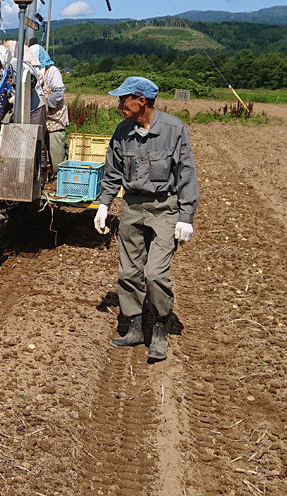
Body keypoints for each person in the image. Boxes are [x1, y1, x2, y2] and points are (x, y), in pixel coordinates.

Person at [94, 76, 198, 361]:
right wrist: (104, 204)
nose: (119, 105)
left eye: (123, 99)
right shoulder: (123, 131)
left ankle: (161, 329)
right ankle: (136, 327)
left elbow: (186, 173)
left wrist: (186, 216)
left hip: (165, 207)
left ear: (142, 101)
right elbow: (113, 170)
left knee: (155, 274)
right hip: (133, 206)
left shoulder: (174, 130)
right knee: (128, 273)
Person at [29, 42, 68, 172]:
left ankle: (59, 177)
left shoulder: (52, 71)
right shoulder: (34, 74)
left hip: (55, 119)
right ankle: (48, 176)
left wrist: (46, 102)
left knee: (56, 152)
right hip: (43, 120)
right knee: (43, 149)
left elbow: (59, 92)